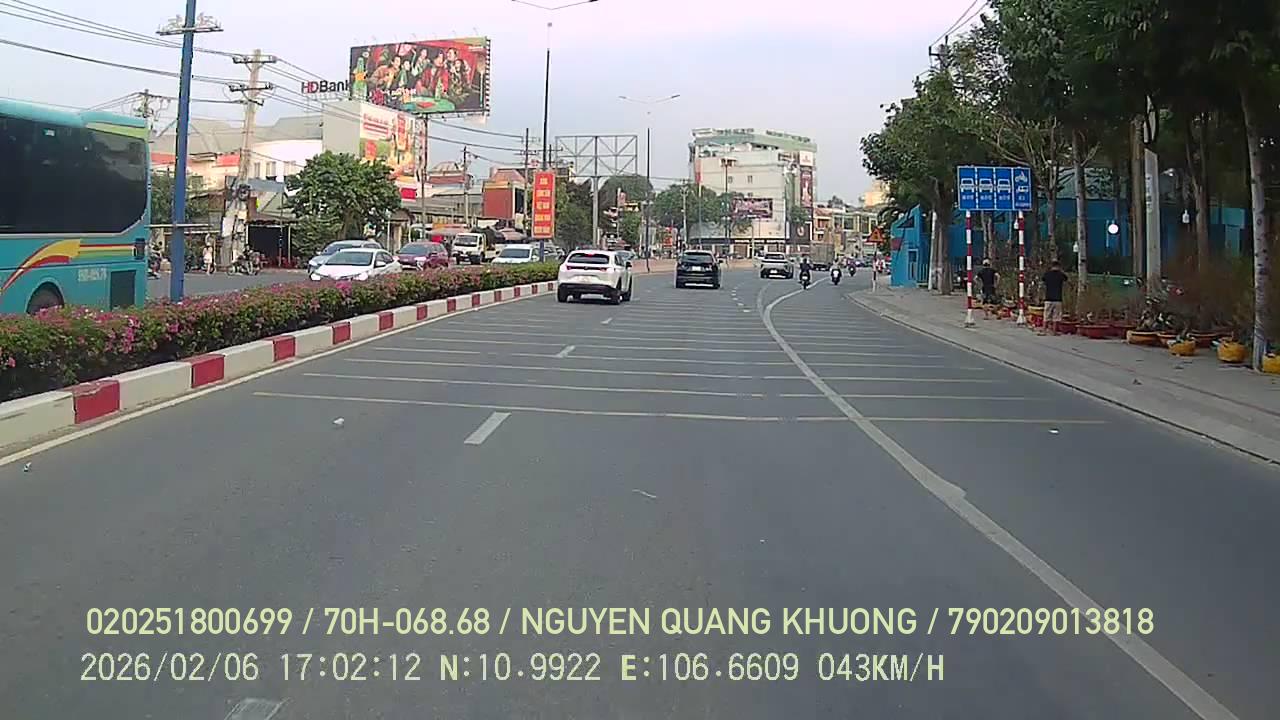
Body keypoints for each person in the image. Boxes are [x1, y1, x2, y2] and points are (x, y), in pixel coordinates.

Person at [1040, 259, 1069, 335]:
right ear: (1058, 266)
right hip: (1058, 298)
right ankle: (1054, 331)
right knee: (1056, 316)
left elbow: (1043, 280)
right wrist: (1061, 271)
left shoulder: (1047, 274)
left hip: (1048, 297)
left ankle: (1044, 330)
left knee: (1046, 315)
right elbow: (1066, 278)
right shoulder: (1060, 274)